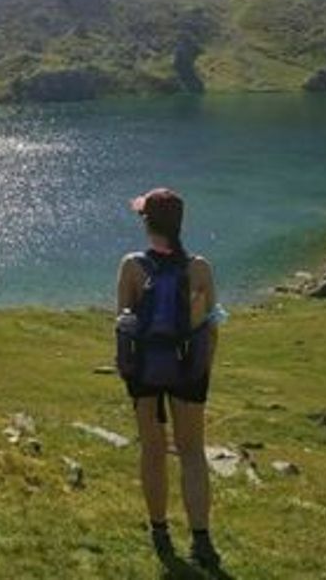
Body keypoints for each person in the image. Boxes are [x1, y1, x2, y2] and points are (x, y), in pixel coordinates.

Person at [116, 187, 226, 572]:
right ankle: (202, 541)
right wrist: (201, 369)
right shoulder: (200, 268)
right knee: (192, 451)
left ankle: (160, 533)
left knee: (153, 449)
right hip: (188, 369)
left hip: (146, 368)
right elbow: (210, 327)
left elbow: (123, 322)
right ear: (179, 224)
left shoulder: (131, 266)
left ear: (148, 223)